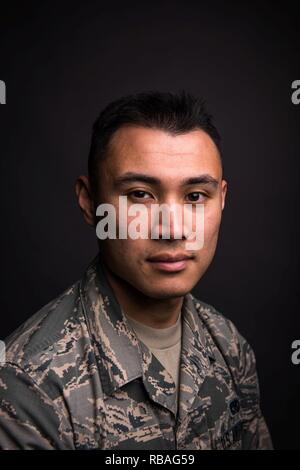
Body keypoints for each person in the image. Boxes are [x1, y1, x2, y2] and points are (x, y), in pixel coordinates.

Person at [0, 91, 273, 449]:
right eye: (141, 194)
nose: (173, 229)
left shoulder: (229, 347)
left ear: (222, 199)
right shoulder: (28, 386)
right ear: (89, 201)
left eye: (195, 197)